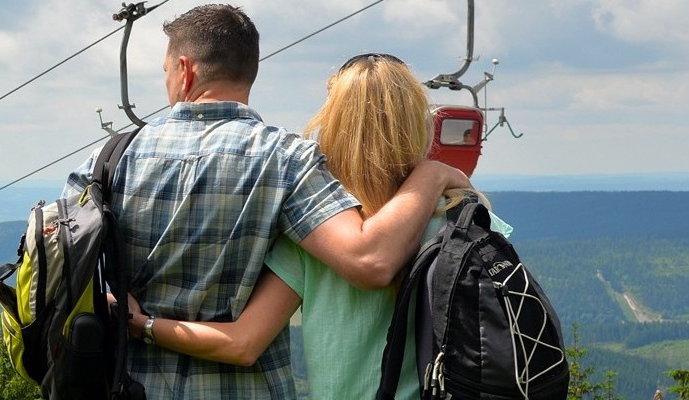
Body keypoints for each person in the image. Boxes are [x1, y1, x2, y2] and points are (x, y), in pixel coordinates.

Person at [65, 5, 472, 398]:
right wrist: (432, 174)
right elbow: (367, 259)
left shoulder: (107, 160)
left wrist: (133, 319)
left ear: (185, 70)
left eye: (167, 71)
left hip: (125, 386)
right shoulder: (287, 159)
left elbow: (67, 269)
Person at [120, 53, 516, 399]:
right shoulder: (465, 220)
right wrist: (435, 176)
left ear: (334, 123)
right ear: (417, 122)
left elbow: (242, 343)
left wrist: (144, 326)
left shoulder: (317, 237)